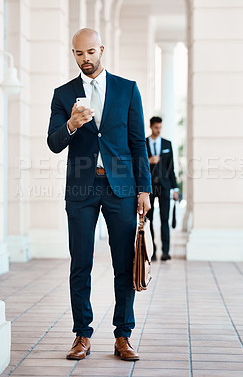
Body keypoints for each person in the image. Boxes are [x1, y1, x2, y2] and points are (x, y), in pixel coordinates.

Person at [47, 28, 152, 362]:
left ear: (101, 49)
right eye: (79, 54)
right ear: (73, 54)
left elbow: (138, 143)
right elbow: (53, 142)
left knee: (124, 263)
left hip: (120, 187)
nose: (86, 59)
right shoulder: (63, 95)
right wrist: (72, 125)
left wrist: (144, 189)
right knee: (81, 263)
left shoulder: (127, 89)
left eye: (91, 52)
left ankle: (123, 336)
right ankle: (82, 335)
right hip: (81, 187)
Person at [146, 116, 179, 261]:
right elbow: (138, 164)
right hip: (150, 186)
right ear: (151, 127)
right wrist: (149, 160)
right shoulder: (143, 143)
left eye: (160, 127)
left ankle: (166, 251)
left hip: (165, 186)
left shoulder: (167, 143)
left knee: (165, 219)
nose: (158, 130)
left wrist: (175, 189)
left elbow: (171, 168)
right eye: (156, 128)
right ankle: (152, 250)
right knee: (150, 219)